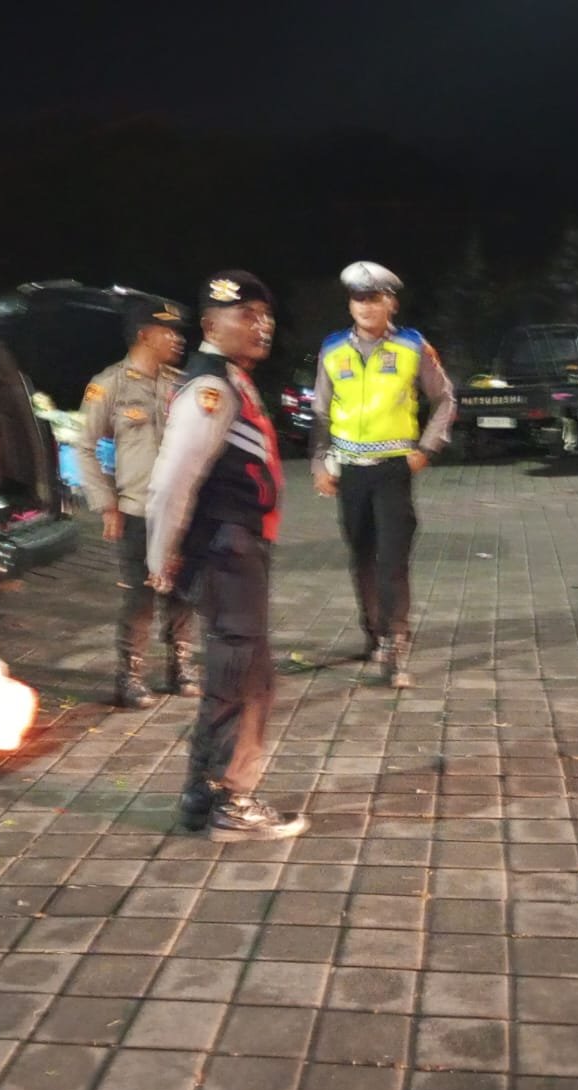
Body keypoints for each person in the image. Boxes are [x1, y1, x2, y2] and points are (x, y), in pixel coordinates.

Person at [146, 270, 307, 843]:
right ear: (212, 325)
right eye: (248, 315)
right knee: (244, 677)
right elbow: (172, 481)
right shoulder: (210, 389)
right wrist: (160, 556)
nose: (263, 325)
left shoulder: (231, 379)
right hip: (226, 548)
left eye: (266, 316)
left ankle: (201, 795)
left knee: (233, 672)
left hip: (234, 548)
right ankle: (232, 802)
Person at [310, 261, 456, 688]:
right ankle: (373, 632)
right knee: (362, 557)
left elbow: (445, 399)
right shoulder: (332, 348)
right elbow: (320, 411)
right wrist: (319, 463)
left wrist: (427, 448)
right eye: (358, 299)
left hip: (393, 469)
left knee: (392, 560)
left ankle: (395, 645)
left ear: (391, 303)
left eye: (374, 299)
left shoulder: (413, 346)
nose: (366, 307)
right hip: (349, 472)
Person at [76, 300, 198, 708]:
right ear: (144, 334)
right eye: (168, 331)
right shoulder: (108, 384)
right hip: (137, 511)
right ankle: (129, 677)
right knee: (140, 597)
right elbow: (84, 447)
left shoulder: (181, 385)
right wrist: (106, 504)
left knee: (182, 592)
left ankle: (181, 667)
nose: (178, 339)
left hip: (181, 509)